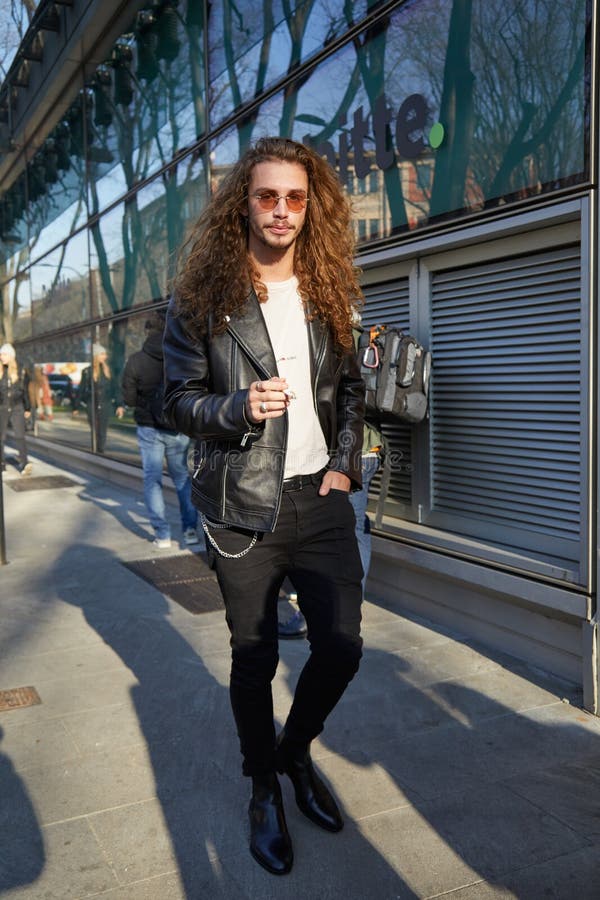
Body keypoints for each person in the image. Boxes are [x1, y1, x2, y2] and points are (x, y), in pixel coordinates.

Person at [163, 136, 365, 875]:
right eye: (266, 196)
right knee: (254, 660)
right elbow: (174, 402)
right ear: (241, 204)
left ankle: (293, 753)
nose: (281, 212)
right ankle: (262, 789)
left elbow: (349, 395)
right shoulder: (203, 299)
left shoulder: (328, 289)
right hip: (243, 506)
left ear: (312, 208)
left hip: (322, 500)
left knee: (341, 647)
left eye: (295, 199)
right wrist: (238, 406)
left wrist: (343, 468)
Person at [121, 310, 199, 550]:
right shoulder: (178, 358)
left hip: (149, 428)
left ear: (147, 332)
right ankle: (190, 531)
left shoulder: (135, 361)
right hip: (177, 428)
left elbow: (130, 399)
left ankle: (163, 535)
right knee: (182, 478)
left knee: (152, 480)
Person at [75, 343, 123, 452]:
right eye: (102, 354)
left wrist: (119, 405)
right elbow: (81, 389)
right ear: (96, 356)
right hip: (92, 402)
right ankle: (96, 447)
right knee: (94, 427)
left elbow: (115, 388)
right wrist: (76, 406)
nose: (105, 357)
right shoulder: (87, 371)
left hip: (105, 402)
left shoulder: (108, 371)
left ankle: (100, 449)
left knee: (102, 428)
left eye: (105, 354)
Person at [0, 343, 33, 475]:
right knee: (1, 437)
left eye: (3, 354)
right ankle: (1, 464)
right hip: (2, 406)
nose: (1, 357)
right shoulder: (0, 370)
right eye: (0, 354)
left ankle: (24, 463)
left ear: (10, 355)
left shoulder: (21, 370)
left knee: (20, 436)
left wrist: (27, 407)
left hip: (17, 406)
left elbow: (25, 391)